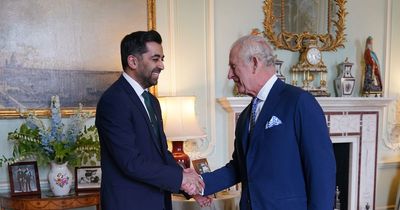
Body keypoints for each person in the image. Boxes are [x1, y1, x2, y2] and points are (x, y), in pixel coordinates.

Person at [200, 35, 336, 210]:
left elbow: (322, 173)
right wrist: (199, 184)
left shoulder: (300, 102)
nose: (229, 75)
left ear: (255, 63)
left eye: (233, 66)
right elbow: (239, 168)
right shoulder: (245, 116)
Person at [95, 30, 206, 210]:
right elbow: (131, 162)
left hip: (157, 202)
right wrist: (181, 178)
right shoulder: (114, 101)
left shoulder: (152, 101)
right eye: (155, 59)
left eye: (162, 59)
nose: (162, 65)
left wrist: (190, 189)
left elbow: (161, 154)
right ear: (133, 61)